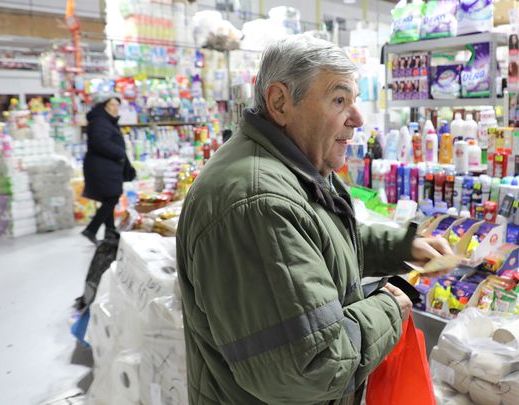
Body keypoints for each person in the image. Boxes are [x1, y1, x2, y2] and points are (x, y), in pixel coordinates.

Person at [176, 36, 455, 405]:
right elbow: (313, 366)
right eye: (339, 100)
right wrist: (391, 306)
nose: (356, 118)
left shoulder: (291, 168)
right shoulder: (256, 203)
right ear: (280, 102)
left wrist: (401, 247)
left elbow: (317, 238)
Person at [81, 95, 135, 245]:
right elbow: (99, 142)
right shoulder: (100, 121)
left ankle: (110, 232)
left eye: (117, 105)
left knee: (109, 198)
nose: (115, 108)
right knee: (112, 197)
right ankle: (91, 229)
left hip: (107, 166)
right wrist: (120, 154)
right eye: (112, 105)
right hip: (102, 167)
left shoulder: (106, 121)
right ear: (104, 106)